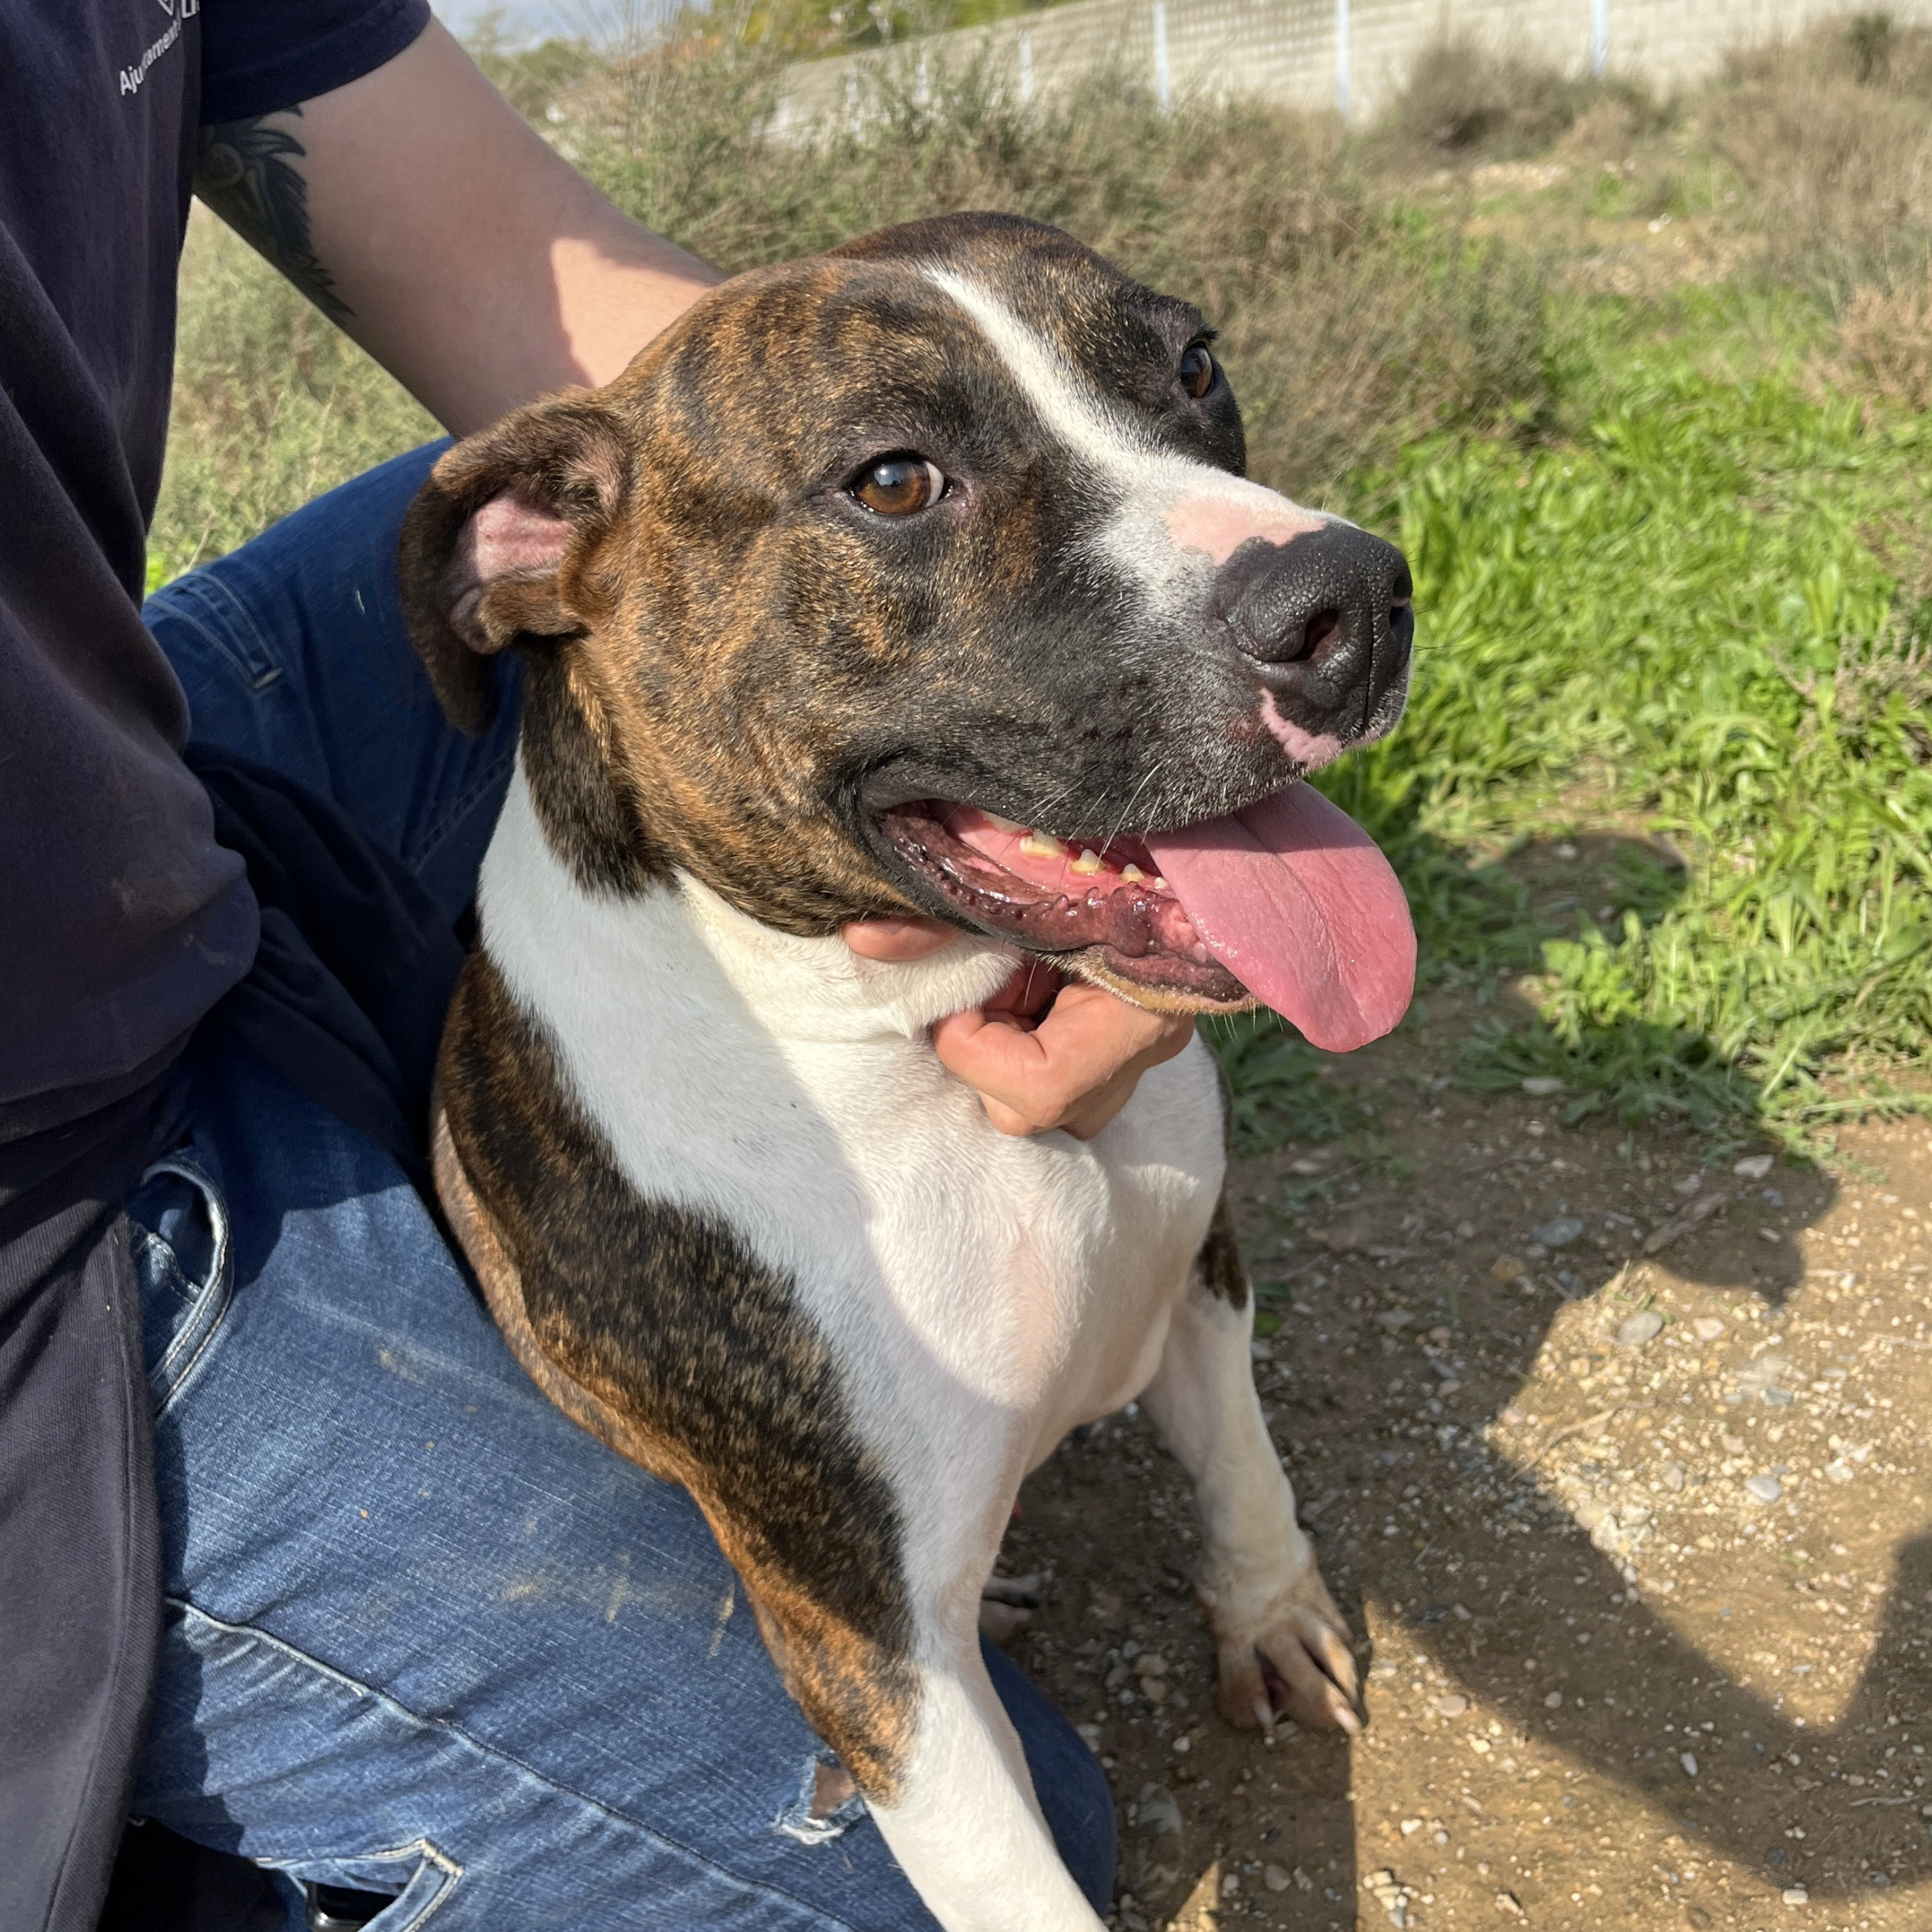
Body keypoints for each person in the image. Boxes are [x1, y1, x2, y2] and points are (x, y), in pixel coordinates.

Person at [1, 6, 1197, 1929]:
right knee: (935, 1872)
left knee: (692, 555)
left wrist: (1138, 739)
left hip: (124, 732)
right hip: (29, 1193)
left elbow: (548, 294)